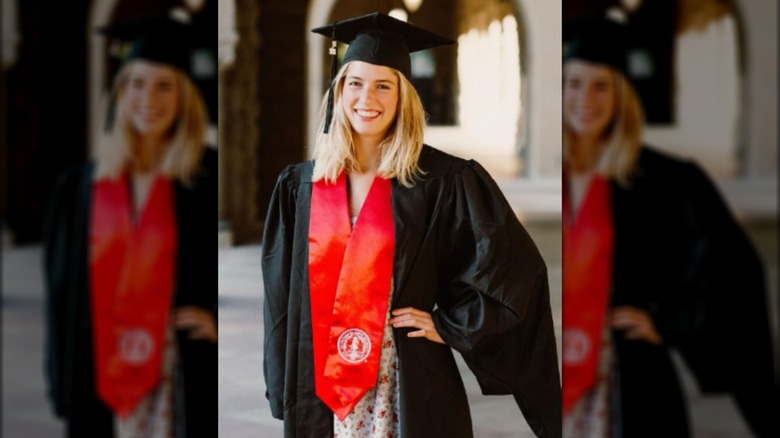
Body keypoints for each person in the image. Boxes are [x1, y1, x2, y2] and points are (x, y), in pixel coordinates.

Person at [261, 11, 561, 438]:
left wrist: (450, 324)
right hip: (321, 373)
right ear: (338, 89)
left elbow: (514, 270)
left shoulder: (443, 180)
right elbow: (280, 297)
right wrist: (282, 381)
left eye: (384, 85)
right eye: (355, 83)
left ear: (404, 96)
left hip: (401, 374)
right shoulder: (300, 186)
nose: (368, 98)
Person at [561, 12, 777, 437]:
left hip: (627, 372)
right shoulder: (555, 179)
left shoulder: (665, 180)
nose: (586, 98)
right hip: (553, 365)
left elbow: (733, 267)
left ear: (622, 96)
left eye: (602, 85)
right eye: (573, 83)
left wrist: (670, 320)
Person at [42, 12, 217, 438]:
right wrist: (61, 382)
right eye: (136, 83)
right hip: (100, 369)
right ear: (119, 93)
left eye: (164, 86)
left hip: (176, 371)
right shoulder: (79, 188)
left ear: (183, 97)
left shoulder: (202, 180)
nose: (149, 99)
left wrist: (215, 318)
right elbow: (61, 293)